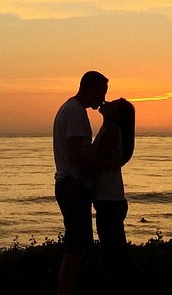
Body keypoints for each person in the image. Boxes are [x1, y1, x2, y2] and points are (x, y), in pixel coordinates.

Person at [53, 70, 108, 295]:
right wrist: (103, 162)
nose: (103, 99)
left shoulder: (72, 109)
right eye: (101, 93)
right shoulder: (75, 112)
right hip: (72, 185)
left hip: (71, 184)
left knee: (79, 245)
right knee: (75, 248)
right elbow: (75, 154)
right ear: (90, 88)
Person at [91, 97, 137, 283]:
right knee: (116, 254)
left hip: (109, 201)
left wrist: (77, 184)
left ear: (116, 114)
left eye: (113, 103)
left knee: (115, 257)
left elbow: (93, 163)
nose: (106, 102)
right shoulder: (109, 130)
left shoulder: (111, 131)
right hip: (110, 200)